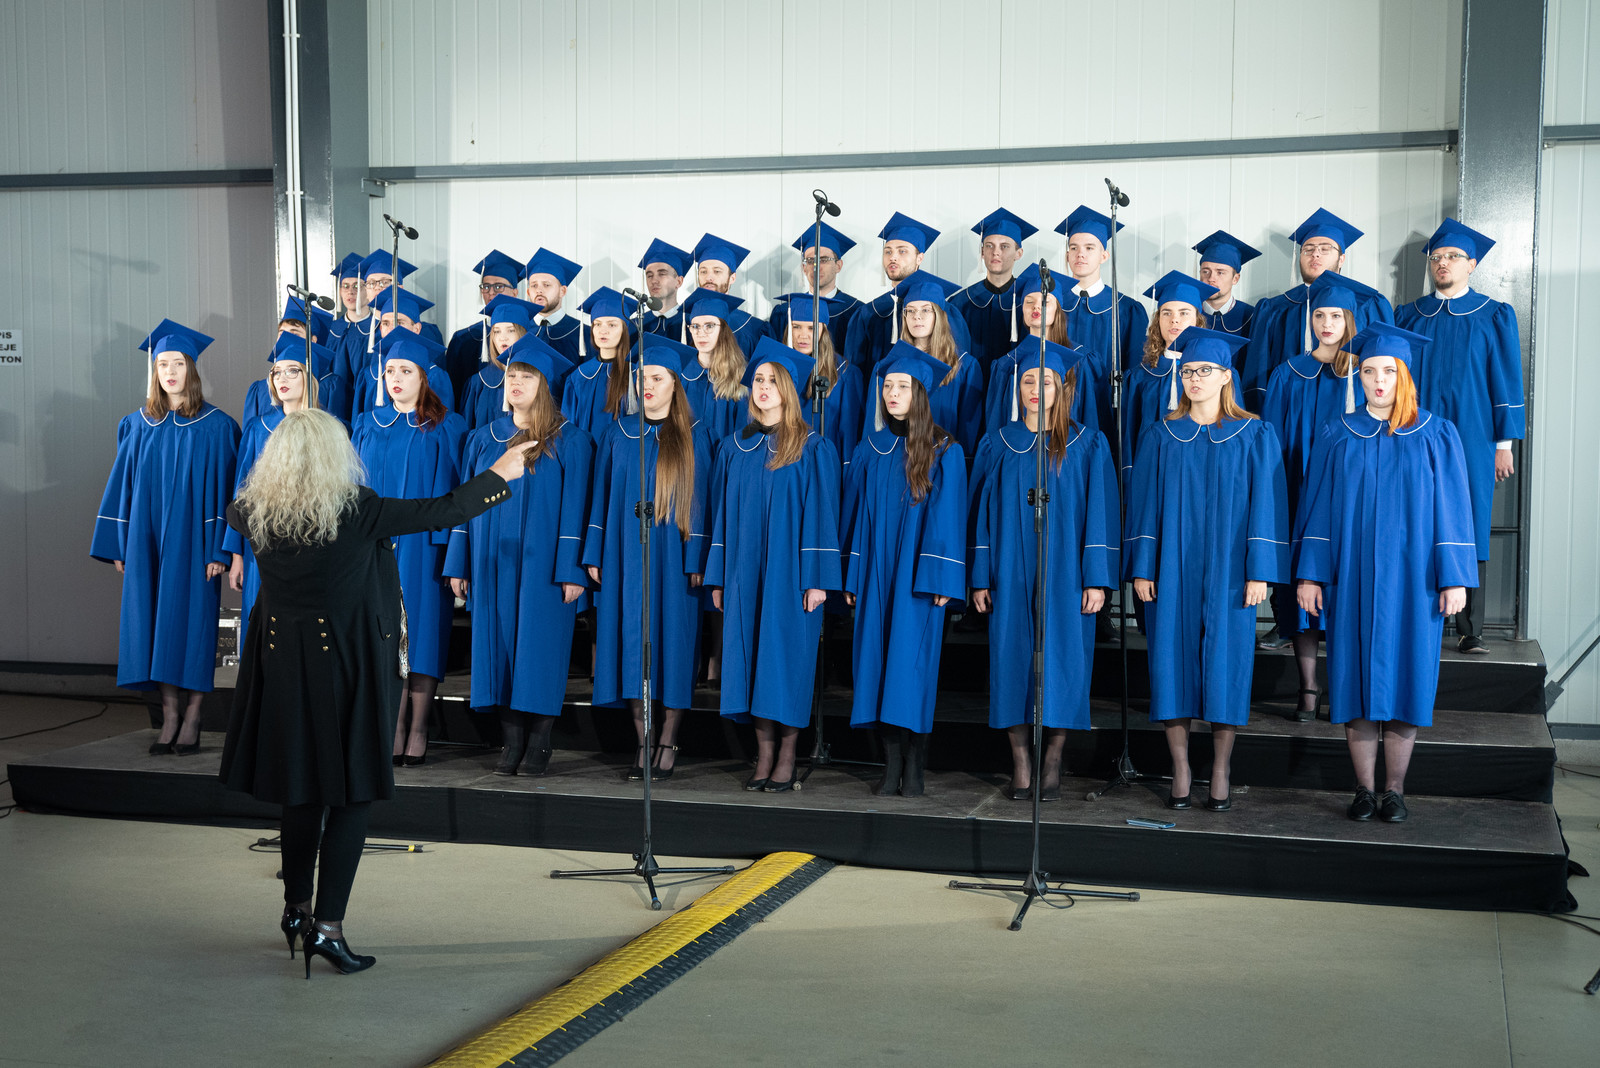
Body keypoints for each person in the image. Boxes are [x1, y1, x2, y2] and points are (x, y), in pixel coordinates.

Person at [220, 408, 534, 976]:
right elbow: (444, 509)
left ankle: (296, 911)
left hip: (284, 670)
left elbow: (238, 508)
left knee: (300, 792)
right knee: (351, 795)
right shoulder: (358, 511)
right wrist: (501, 473)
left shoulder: (250, 512)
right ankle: (328, 929)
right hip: (347, 669)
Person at [1294, 323, 1476, 822]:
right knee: (1352, 679)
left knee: (1407, 678)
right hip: (1351, 577)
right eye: (1370, 371)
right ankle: (1363, 789)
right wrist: (1310, 575)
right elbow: (1316, 508)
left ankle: (1394, 790)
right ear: (1359, 375)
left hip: (1415, 581)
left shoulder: (1436, 433)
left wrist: (1454, 577)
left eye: (1389, 372)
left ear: (1405, 376)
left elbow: (1453, 510)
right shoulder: (1337, 432)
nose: (1378, 381)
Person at [1124, 327, 1288, 812]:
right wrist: (1143, 567)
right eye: (1189, 371)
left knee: (1227, 662)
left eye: (1205, 371)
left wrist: (1260, 571)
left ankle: (1220, 768)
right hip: (1171, 566)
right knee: (1169, 661)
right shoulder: (1160, 435)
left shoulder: (1255, 434)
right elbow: (1144, 507)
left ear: (1226, 376)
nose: (1195, 379)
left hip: (1232, 569)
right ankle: (1180, 768)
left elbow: (1267, 505)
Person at [970, 343, 1118, 801]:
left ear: (1062, 388)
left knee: (1065, 659)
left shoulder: (1087, 443)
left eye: (1046, 381)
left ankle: (1053, 759)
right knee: (1011, 658)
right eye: (1028, 380)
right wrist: (980, 576)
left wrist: (1096, 578)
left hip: (1067, 572)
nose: (1036, 388)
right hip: (1009, 569)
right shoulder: (998, 443)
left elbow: (1101, 513)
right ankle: (1020, 762)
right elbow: (980, 517)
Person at [92, 320, 240, 756]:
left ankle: (193, 715)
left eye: (178, 363)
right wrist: (121, 543)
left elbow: (230, 493)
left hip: (196, 545)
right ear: (154, 371)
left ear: (191, 369)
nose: (170, 372)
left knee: (190, 624)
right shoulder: (137, 425)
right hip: (147, 542)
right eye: (162, 364)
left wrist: (221, 549)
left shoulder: (217, 426)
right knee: (152, 626)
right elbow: (122, 487)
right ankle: (169, 715)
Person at [444, 337, 591, 777]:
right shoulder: (482, 439)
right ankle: (510, 742)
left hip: (545, 566)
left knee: (539, 648)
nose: (516, 383)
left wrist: (572, 569)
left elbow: (577, 509)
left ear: (545, 385)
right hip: (493, 561)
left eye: (527, 376)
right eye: (512, 375)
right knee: (500, 648)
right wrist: (459, 562)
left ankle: (540, 741)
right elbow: (464, 503)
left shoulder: (570, 441)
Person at [704, 337, 843, 792]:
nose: (763, 387)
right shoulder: (733, 448)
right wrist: (719, 576)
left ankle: (787, 755)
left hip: (792, 574)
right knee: (750, 659)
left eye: (773, 381)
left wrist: (818, 580)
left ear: (790, 390)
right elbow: (721, 516)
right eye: (759, 380)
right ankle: (762, 755)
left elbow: (823, 514)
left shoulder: (812, 447)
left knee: (786, 659)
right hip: (744, 571)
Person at [1394, 218, 1524, 655]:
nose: (1443, 263)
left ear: (1472, 264)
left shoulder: (1493, 315)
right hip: (1414, 433)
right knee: (1416, 517)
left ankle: (1471, 628)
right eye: (1436, 257)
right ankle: (1418, 616)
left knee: (1470, 521)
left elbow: (1506, 381)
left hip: (1474, 434)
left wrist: (1504, 445)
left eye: (1452, 256)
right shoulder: (1409, 316)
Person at [841, 346, 967, 797]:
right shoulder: (869, 449)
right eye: (888, 386)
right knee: (876, 666)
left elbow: (948, 521)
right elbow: (856, 518)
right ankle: (890, 763)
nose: (892, 394)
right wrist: (854, 575)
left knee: (911, 670)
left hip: (919, 580)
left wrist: (941, 580)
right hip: (876, 575)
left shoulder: (944, 450)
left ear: (921, 394)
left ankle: (915, 765)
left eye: (903, 387)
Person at [584, 336, 712, 781]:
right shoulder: (618, 433)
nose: (648, 386)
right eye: (642, 378)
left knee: (673, 646)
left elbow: (702, 502)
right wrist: (595, 552)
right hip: (625, 555)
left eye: (658, 378)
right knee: (631, 645)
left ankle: (668, 741)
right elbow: (600, 498)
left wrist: (697, 559)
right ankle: (642, 741)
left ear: (676, 384)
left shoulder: (695, 435)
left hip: (675, 559)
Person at [1258, 272, 1384, 701]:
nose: (1327, 324)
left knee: (1348, 587)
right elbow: (1272, 445)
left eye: (1336, 316)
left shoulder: (1365, 373)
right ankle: (1308, 688)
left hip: (1353, 497)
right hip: (1298, 494)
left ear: (1351, 319)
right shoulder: (1287, 374)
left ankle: (1350, 689)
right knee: (1304, 587)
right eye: (1319, 315)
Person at [350, 330, 467, 767]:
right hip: (372, 548)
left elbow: (458, 495)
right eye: (390, 371)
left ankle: (417, 728)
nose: (396, 378)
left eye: (406, 371)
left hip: (423, 549)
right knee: (381, 638)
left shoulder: (447, 426)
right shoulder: (366, 423)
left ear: (424, 377)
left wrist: (453, 551)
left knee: (421, 636)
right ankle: (390, 727)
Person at [226, 333, 335, 650]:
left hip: (313, 543)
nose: (282, 379)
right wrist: (236, 556)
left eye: (292, 371)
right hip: (262, 544)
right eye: (277, 372)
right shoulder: (258, 428)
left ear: (309, 377)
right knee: (262, 630)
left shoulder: (330, 428)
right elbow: (241, 493)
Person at [1239, 207, 1394, 410]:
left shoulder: (1369, 305)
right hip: (1290, 412)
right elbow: (1257, 376)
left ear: (1341, 258)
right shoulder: (1273, 310)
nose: (1315, 254)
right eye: (1308, 249)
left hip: (1352, 410)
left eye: (1325, 249)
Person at [844, 211, 973, 373]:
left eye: (902, 251)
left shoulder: (946, 312)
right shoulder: (868, 313)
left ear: (920, 258)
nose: (893, 257)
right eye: (888, 251)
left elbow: (960, 369)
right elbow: (854, 373)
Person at [982, 263, 1100, 439]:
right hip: (1019, 453)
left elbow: (1090, 421)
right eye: (1029, 302)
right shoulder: (1006, 365)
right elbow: (996, 428)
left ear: (1057, 309)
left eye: (1045, 302)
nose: (1036, 307)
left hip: (1067, 451)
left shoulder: (1081, 361)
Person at [1121, 271, 1219, 479]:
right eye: (1167, 313)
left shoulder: (1217, 374)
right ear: (1158, 320)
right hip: (1151, 473)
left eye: (1184, 313)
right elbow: (1129, 440)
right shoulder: (1139, 378)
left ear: (1197, 320)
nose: (1175, 320)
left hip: (1203, 474)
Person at [879, 271, 985, 455]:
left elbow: (969, 429)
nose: (917, 316)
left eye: (925, 310)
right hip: (896, 458)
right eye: (910, 310)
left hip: (942, 458)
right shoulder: (891, 366)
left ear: (939, 316)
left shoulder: (965, 366)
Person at [1054, 205, 1150, 377]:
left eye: (1089, 248)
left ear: (1104, 256)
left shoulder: (1126, 309)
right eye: (1074, 248)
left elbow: (1134, 370)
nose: (1080, 254)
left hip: (1107, 393)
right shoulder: (1053, 303)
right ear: (1067, 256)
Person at [949, 207, 1036, 369]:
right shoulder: (960, 303)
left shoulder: (1030, 300)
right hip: (972, 382)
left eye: (1004, 246)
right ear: (982, 252)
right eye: (989, 246)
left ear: (1018, 253)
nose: (996, 252)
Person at [783, 291, 863, 466]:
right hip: (785, 463)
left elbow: (848, 435)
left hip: (825, 464)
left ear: (824, 330)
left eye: (812, 328)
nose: (803, 335)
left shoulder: (844, 373)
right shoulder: (776, 369)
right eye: (796, 326)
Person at [352, 287, 456, 420]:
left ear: (416, 328)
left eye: (399, 323)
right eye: (385, 323)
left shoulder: (434, 375)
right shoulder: (370, 374)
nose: (391, 329)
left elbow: (442, 423)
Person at [443, 249, 524, 402]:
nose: (491, 292)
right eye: (486, 286)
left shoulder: (529, 335)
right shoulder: (464, 339)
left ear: (515, 292)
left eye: (499, 286)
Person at [242, 298, 338, 428]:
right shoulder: (260, 389)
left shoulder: (331, 385)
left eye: (295, 334)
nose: (286, 338)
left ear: (312, 340)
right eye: (282, 333)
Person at [769, 221, 861, 354]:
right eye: (810, 261)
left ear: (838, 266)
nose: (816, 267)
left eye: (824, 260)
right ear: (803, 267)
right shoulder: (784, 312)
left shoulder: (856, 311)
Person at [561, 287, 640, 436]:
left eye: (612, 325)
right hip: (584, 449)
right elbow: (568, 429)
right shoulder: (578, 376)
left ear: (624, 330)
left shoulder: (635, 374)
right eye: (597, 324)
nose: (603, 330)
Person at [457, 294, 540, 430]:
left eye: (511, 330)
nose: (503, 338)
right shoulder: (479, 383)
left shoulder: (539, 377)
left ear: (523, 334)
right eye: (497, 332)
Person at [681, 286, 751, 445]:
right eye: (695, 326)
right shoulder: (680, 374)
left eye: (710, 326)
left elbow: (744, 433)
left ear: (723, 330)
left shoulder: (741, 377)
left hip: (724, 457)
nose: (701, 333)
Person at [688, 233, 770, 355]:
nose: (709, 277)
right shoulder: (687, 325)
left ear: (732, 278)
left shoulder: (753, 327)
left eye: (717, 271)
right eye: (703, 271)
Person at [522, 247, 586, 362]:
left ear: (563, 291)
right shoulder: (519, 330)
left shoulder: (583, 333)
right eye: (534, 285)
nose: (539, 290)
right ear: (528, 292)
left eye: (546, 285)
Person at [1193, 230, 1262, 336]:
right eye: (1206, 271)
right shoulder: (1188, 313)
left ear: (1235, 279)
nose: (1211, 278)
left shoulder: (1252, 316)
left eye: (1220, 272)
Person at [638, 237, 694, 338]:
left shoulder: (693, 323)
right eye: (649, 276)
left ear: (679, 281)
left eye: (662, 274)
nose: (654, 281)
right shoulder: (636, 325)